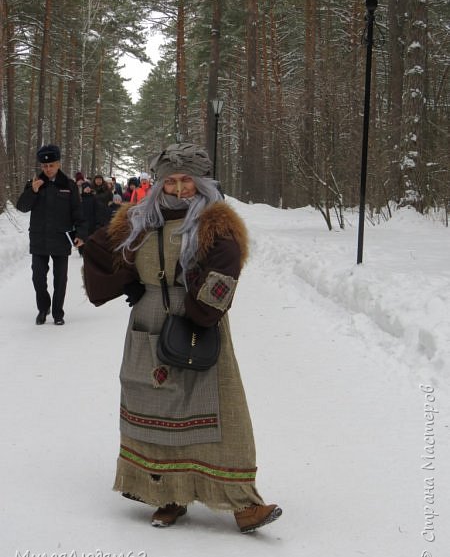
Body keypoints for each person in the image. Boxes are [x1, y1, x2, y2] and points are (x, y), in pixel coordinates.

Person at [82, 143, 282, 533]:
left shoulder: (215, 222)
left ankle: (243, 504)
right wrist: (126, 281)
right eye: (170, 181)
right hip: (148, 322)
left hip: (197, 325)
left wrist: (203, 305)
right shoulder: (137, 221)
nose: (178, 188)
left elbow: (225, 271)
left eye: (185, 180)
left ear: (200, 182)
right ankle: (167, 497)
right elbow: (100, 251)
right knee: (155, 411)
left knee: (218, 413)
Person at [16, 144, 87, 325]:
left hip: (61, 238)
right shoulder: (34, 184)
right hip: (39, 239)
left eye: (51, 165)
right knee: (38, 277)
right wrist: (33, 191)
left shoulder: (69, 185)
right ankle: (43, 308)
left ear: (58, 164)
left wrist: (81, 234)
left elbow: (78, 212)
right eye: (44, 166)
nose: (48, 169)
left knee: (60, 279)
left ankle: (58, 313)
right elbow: (22, 207)